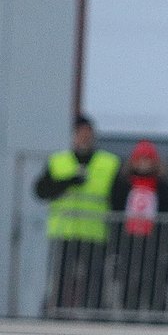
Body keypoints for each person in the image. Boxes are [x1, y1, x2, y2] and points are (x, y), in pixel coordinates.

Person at [33, 114, 122, 313]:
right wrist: (69, 181)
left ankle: (94, 314)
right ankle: (57, 312)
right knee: (62, 277)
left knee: (95, 279)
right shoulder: (59, 162)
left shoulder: (109, 164)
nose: (84, 138)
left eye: (87, 134)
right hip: (64, 232)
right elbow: (41, 191)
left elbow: (118, 198)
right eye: (80, 134)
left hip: (95, 233)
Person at [108, 140, 168, 316]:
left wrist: (167, 246)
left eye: (148, 159)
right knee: (129, 282)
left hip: (153, 243)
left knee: (155, 283)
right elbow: (115, 208)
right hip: (129, 242)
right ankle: (129, 315)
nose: (144, 163)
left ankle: (156, 318)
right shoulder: (124, 184)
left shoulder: (162, 187)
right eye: (140, 159)